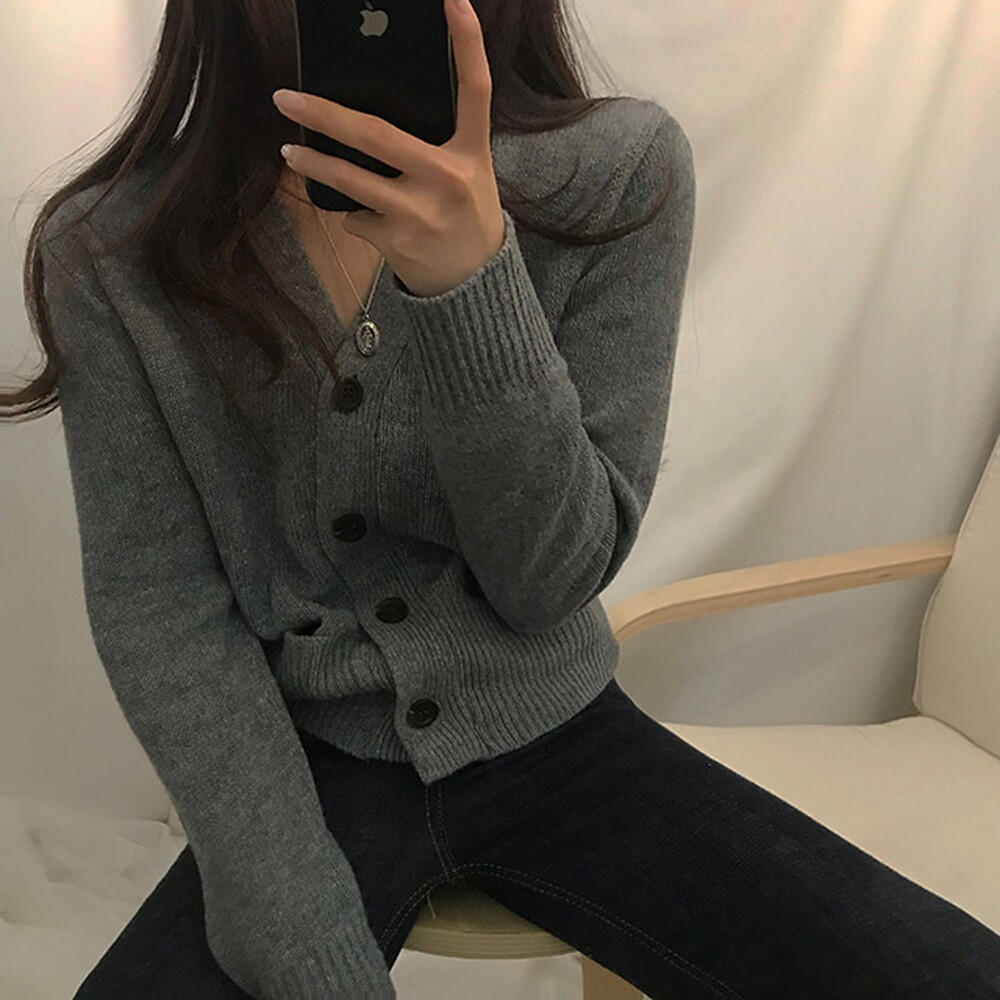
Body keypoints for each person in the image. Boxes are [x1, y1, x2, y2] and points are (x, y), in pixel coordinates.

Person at [7, 1, 1000, 997]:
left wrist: (472, 284)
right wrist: (301, 938)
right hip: (300, 761)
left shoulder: (614, 173)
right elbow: (158, 600)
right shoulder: (114, 248)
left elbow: (550, 579)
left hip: (557, 726)